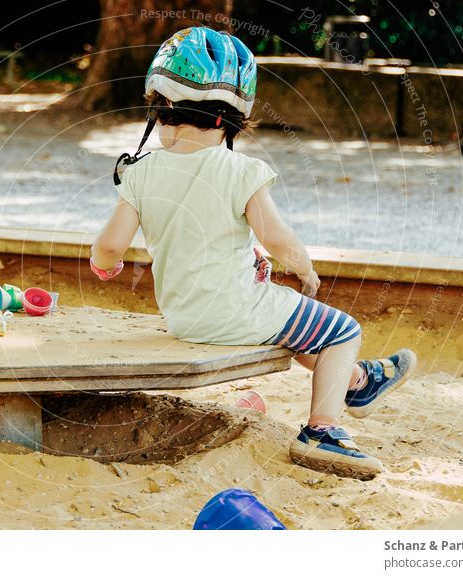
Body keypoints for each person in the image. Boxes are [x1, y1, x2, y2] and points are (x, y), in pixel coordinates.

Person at [90, 27, 416, 480]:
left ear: (159, 109)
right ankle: (322, 431)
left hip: (184, 316)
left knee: (295, 324)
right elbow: (279, 240)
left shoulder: (140, 173)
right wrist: (305, 269)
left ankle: (357, 382)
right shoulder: (241, 170)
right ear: (228, 121)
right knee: (341, 330)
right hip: (236, 311)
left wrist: (106, 266)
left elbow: (109, 246)